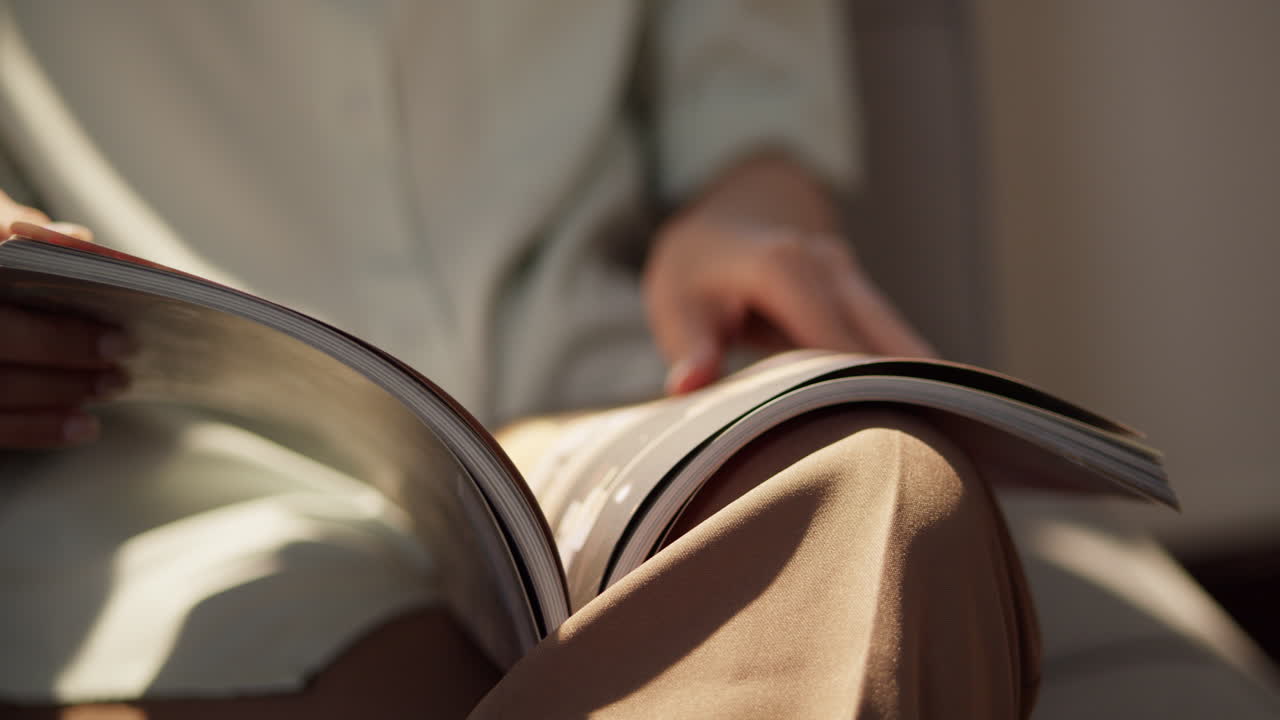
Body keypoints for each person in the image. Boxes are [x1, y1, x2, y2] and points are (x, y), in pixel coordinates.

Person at [0, 2, 1271, 719]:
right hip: (183, 518)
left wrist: (753, 206)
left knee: (885, 487)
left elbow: (748, 101)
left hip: (608, 412)